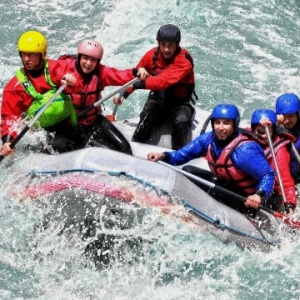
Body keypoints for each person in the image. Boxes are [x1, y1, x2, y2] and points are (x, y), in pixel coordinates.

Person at [147, 104, 275, 212]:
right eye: (217, 122)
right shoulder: (209, 139)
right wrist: (163, 155)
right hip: (226, 185)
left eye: (226, 123)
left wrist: (258, 196)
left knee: (213, 191)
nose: (220, 128)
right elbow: (182, 155)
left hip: (245, 198)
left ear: (235, 125)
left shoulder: (244, 151)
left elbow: (268, 174)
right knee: (188, 171)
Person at [57, 39, 149, 155]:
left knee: (124, 148)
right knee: (70, 151)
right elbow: (47, 76)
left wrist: (136, 72)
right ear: (79, 57)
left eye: (93, 60)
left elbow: (119, 75)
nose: (88, 63)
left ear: (98, 61)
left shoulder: (101, 72)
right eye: (85, 58)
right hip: (70, 124)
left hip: (94, 120)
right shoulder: (65, 68)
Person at [0, 30, 83, 158]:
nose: (26, 59)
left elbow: (77, 85)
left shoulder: (56, 68)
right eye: (23, 54)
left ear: (42, 55)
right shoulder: (14, 87)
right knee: (67, 147)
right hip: (44, 135)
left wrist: (71, 81)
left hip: (68, 124)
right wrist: (7, 141)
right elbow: (9, 119)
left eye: (31, 55)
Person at [113, 24, 196, 150]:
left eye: (171, 45)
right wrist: (124, 94)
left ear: (177, 44)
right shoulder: (151, 56)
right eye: (163, 45)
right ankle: (133, 151)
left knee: (181, 121)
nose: (166, 49)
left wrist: (139, 84)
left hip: (180, 104)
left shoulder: (184, 60)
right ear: (158, 43)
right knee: (146, 118)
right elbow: (135, 77)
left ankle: (179, 157)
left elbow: (163, 81)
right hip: (158, 100)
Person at [248, 108, 296, 213]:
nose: (264, 135)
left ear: (274, 131)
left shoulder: (279, 152)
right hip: (247, 184)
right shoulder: (246, 137)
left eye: (268, 131)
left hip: (269, 193)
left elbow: (286, 183)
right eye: (260, 131)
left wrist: (290, 204)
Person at [275, 93, 300, 184]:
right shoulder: (272, 129)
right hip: (282, 179)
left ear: (298, 115)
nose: (287, 120)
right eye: (284, 117)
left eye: (291, 116)